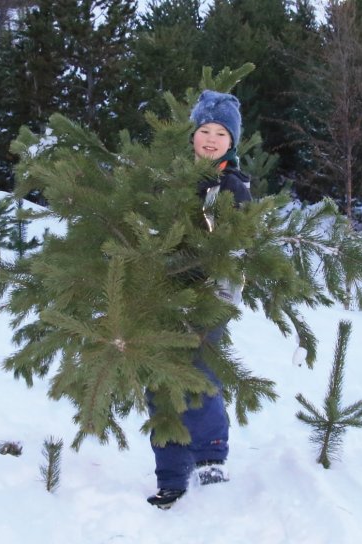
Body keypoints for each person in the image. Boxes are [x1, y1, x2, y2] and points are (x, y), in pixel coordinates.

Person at [146, 90, 252, 509]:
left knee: (201, 373)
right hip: (162, 293)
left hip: (209, 294)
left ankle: (210, 455)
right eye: (203, 130)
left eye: (220, 132)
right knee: (158, 380)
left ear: (232, 141)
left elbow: (234, 243)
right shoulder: (171, 178)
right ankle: (171, 474)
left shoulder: (232, 184)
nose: (210, 138)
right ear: (192, 135)